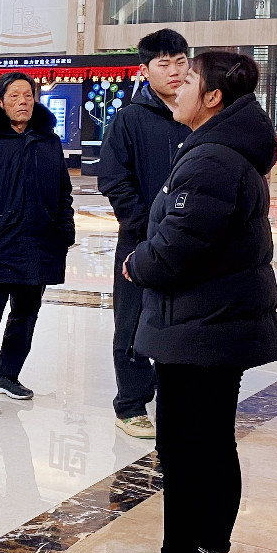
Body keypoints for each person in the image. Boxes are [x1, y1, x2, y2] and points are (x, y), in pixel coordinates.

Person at [108, 51, 277, 553]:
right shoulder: (228, 151)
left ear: (212, 98)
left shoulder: (210, 158)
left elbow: (179, 245)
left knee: (185, 449)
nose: (177, 87)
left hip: (197, 324)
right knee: (212, 444)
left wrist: (136, 263)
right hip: (217, 320)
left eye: (188, 80)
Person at [0, 72, 76, 415]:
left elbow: (63, 194)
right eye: (14, 96)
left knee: (26, 313)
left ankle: (6, 374)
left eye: (28, 95)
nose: (23, 101)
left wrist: (63, 232)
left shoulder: (47, 141)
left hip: (39, 245)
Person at [97, 29, 190, 440]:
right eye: (163, 64)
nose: (174, 71)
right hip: (140, 239)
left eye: (180, 62)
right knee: (132, 319)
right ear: (145, 70)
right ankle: (131, 405)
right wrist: (143, 225)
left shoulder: (199, 115)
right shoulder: (130, 119)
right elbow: (113, 177)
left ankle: (177, 396)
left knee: (184, 318)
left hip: (189, 240)